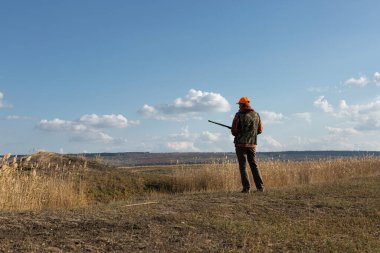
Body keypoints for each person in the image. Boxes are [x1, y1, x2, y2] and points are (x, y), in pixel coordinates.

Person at [231, 96, 264, 193]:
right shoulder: (256, 115)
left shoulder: (238, 115)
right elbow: (260, 130)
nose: (238, 106)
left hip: (240, 145)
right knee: (254, 165)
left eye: (239, 104)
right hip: (252, 144)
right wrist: (251, 135)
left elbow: (234, 131)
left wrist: (239, 132)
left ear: (242, 104)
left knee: (243, 166)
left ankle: (246, 188)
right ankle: (260, 187)